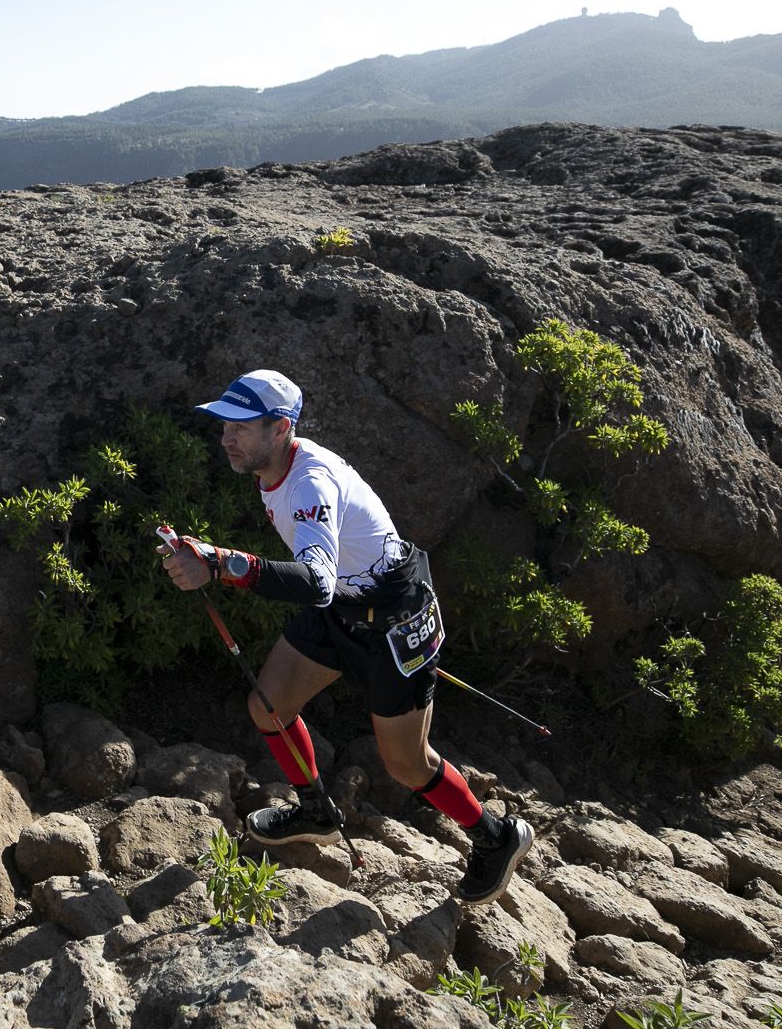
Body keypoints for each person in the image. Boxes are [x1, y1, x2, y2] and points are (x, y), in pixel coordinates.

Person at [158, 369, 533, 907]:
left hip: (391, 618)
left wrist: (220, 563)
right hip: (341, 603)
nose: (226, 438)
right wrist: (216, 559)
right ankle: (315, 811)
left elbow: (313, 581)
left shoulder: (310, 481)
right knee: (269, 708)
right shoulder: (274, 468)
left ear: (281, 427)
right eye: (223, 425)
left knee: (406, 763)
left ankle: (497, 837)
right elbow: (321, 583)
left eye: (240, 427)